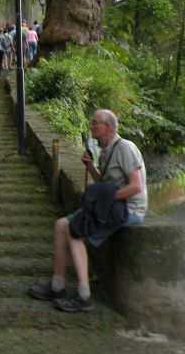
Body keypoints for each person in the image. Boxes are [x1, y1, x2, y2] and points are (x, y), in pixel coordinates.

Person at [28, 109, 147, 312]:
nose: (91, 126)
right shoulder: (107, 150)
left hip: (129, 209)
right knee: (61, 225)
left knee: (74, 230)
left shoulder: (126, 148)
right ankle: (57, 286)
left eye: (95, 123)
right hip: (112, 206)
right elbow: (104, 184)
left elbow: (136, 186)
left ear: (108, 127)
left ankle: (84, 296)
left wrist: (106, 199)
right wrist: (90, 166)